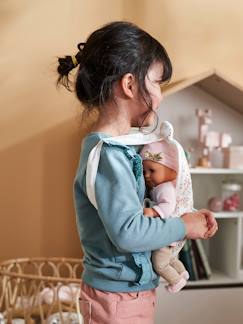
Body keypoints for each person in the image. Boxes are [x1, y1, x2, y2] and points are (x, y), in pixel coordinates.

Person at [56, 21, 218, 324]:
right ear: (130, 85)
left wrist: (183, 212)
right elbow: (128, 232)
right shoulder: (108, 157)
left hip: (130, 293)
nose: (161, 95)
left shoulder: (123, 150)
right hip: (116, 299)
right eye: (157, 83)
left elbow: (143, 215)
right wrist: (183, 226)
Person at [140, 121, 193, 293]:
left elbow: (168, 208)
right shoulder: (161, 187)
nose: (147, 176)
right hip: (172, 233)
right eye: (144, 171)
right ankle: (183, 272)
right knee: (170, 258)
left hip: (167, 233)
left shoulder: (166, 188)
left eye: (152, 171)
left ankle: (176, 281)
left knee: (159, 263)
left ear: (172, 170)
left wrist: (153, 211)